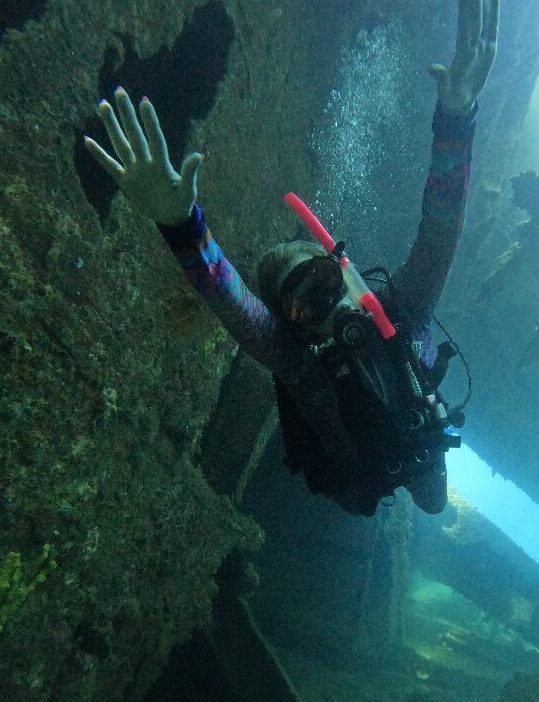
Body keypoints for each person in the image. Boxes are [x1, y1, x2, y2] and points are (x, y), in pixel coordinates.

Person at [85, 0, 499, 516]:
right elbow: (230, 301)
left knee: (436, 503)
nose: (328, 303)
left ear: (344, 269)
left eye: (325, 280)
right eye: (306, 304)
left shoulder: (404, 310)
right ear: (293, 325)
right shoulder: (302, 367)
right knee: (373, 502)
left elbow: (441, 233)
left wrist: (457, 117)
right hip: (361, 482)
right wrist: (180, 225)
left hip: (421, 445)